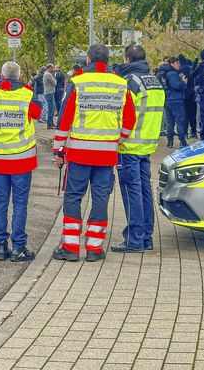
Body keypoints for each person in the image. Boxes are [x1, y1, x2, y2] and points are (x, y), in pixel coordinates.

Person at [52, 44, 136, 263]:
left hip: (80, 153)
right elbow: (129, 121)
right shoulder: (121, 84)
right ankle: (94, 248)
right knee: (100, 199)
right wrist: (118, 140)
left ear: (88, 60)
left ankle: (70, 247)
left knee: (73, 197)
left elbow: (64, 118)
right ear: (108, 61)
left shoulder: (77, 83)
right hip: (106, 155)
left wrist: (59, 148)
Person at [0, 61, 43, 262]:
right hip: (21, 159)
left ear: (1, 75)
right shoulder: (27, 95)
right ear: (18, 76)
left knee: (0, 201)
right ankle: (19, 247)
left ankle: (1, 246)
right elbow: (37, 113)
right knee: (19, 203)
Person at [112, 45, 164, 253]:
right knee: (144, 190)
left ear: (126, 59)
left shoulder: (130, 82)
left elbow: (123, 113)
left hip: (129, 144)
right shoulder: (155, 81)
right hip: (148, 143)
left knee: (131, 191)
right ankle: (146, 237)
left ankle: (134, 239)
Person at [164, 57, 188, 148]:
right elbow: (176, 85)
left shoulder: (166, 73)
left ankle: (170, 142)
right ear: (172, 64)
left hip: (168, 100)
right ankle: (182, 141)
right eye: (177, 63)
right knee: (180, 121)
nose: (179, 65)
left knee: (170, 122)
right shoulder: (173, 74)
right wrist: (183, 82)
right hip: (176, 100)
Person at [178, 54, 197, 138]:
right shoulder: (191, 69)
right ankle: (193, 131)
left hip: (182, 95)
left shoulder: (178, 71)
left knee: (184, 115)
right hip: (192, 94)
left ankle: (185, 133)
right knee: (192, 114)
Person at [42, 64, 57, 128]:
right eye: (53, 68)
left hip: (48, 92)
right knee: (51, 108)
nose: (54, 69)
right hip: (49, 93)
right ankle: (49, 124)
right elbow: (55, 83)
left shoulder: (45, 74)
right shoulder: (48, 74)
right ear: (50, 68)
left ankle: (51, 122)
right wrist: (55, 80)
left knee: (52, 108)